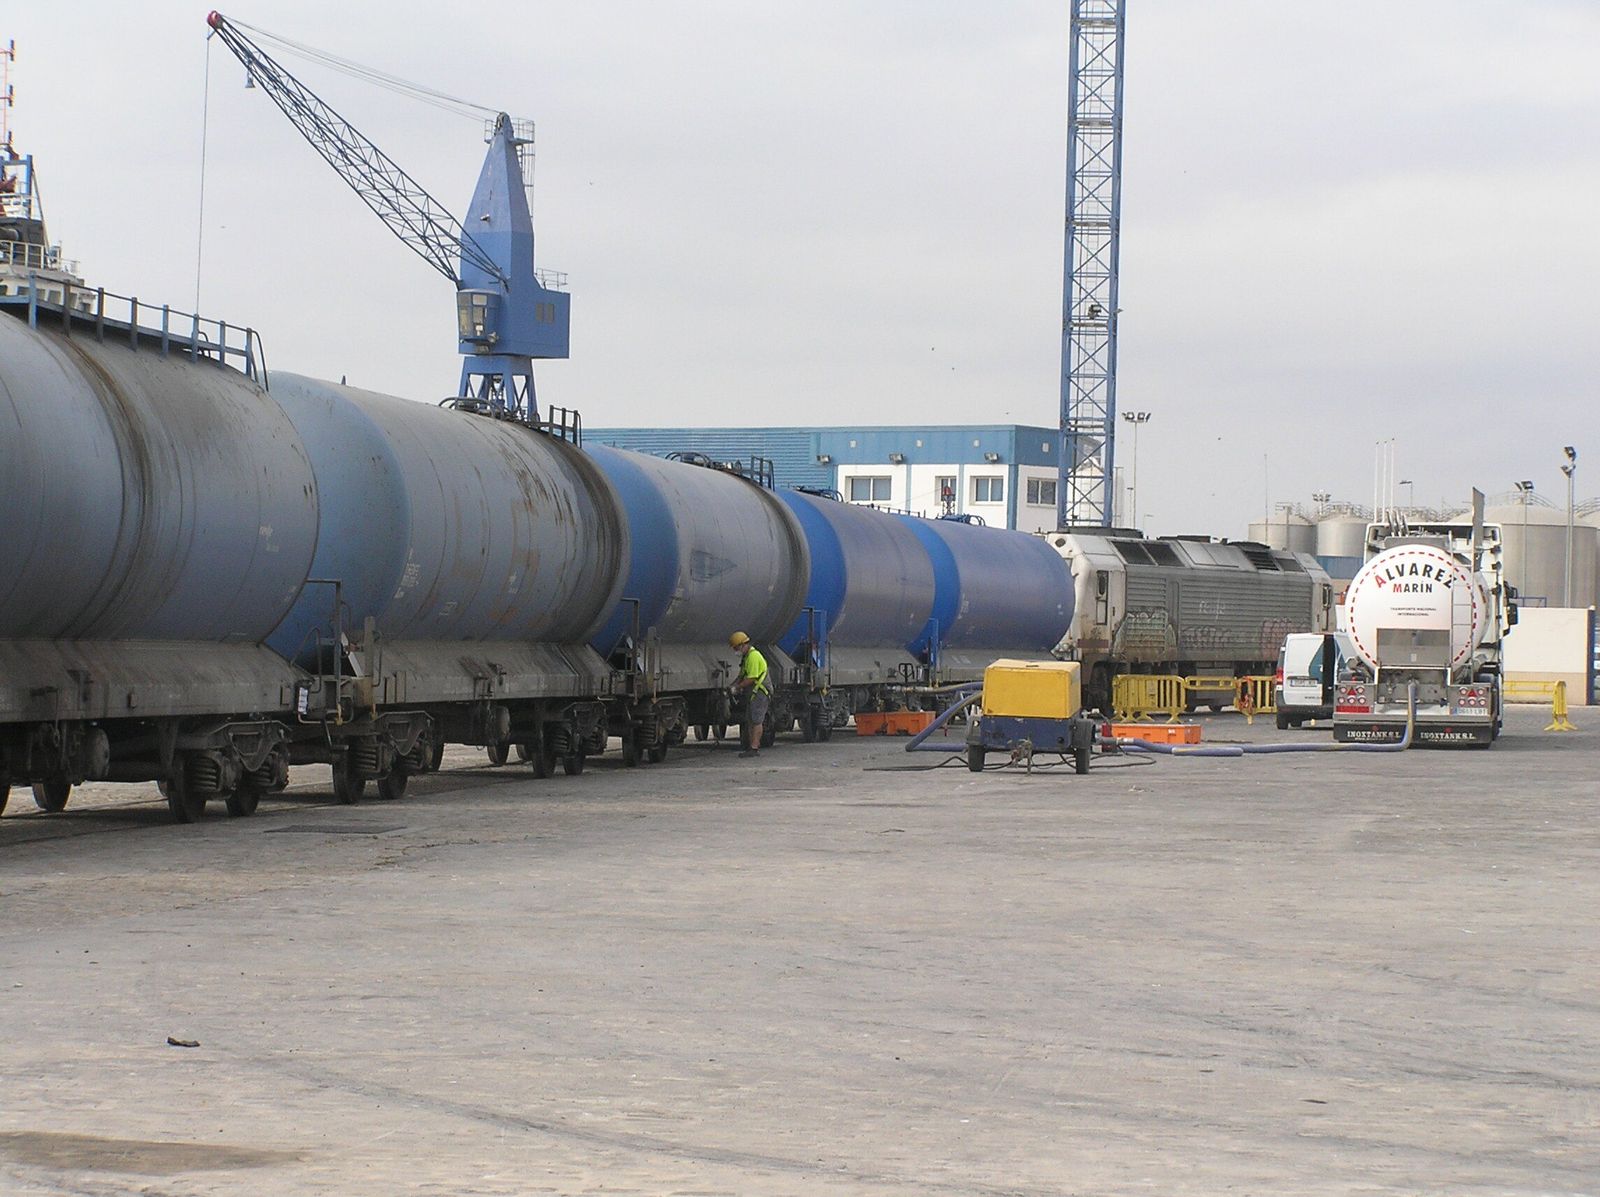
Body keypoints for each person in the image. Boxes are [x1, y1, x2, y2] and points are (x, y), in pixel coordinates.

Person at [728, 631, 770, 758]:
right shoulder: (746, 657)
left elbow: (751, 678)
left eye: (736, 648)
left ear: (742, 645)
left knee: (756, 720)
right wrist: (732, 685)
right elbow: (742, 676)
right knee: (751, 720)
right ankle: (751, 747)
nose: (735, 650)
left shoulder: (753, 656)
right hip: (754, 692)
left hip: (760, 692)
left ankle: (754, 748)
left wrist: (737, 687)